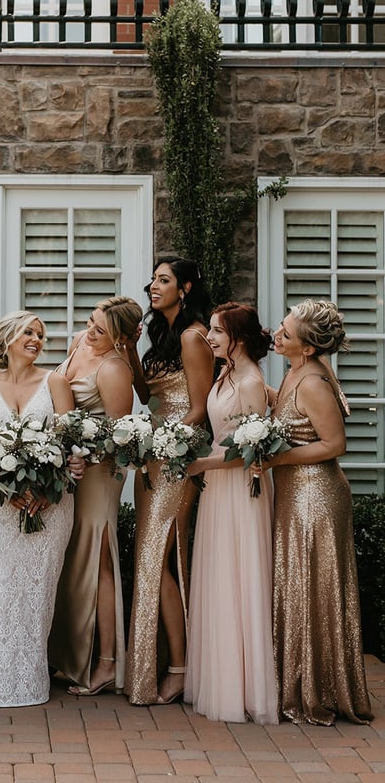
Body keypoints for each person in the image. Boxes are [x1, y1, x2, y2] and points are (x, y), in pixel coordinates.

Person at [266, 299, 372, 725]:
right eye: (281, 326)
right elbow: (290, 417)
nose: (277, 334)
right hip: (295, 495)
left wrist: (274, 460)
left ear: (307, 348)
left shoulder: (312, 381)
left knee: (313, 588)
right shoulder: (294, 372)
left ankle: (318, 690)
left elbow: (333, 445)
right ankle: (297, 680)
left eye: (286, 333)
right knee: (297, 584)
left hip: (316, 498)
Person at [0, 311, 75, 707]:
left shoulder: (56, 382)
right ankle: (0, 678)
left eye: (40, 334)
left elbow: (67, 443)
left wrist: (47, 492)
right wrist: (4, 486)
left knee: (37, 591)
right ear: (7, 339)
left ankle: (31, 682)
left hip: (50, 504)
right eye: (28, 332)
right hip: (1, 505)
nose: (36, 339)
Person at [183, 302, 278, 724]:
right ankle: (218, 677)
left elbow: (251, 453)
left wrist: (200, 463)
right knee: (219, 576)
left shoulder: (252, 381)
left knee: (240, 577)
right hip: (217, 488)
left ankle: (245, 687)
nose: (210, 337)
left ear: (237, 337)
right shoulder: (226, 373)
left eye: (218, 331)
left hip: (241, 490)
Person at [125, 256, 213, 706]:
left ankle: (179, 668)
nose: (154, 286)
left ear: (186, 288)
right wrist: (127, 350)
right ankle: (159, 662)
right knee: (150, 556)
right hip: (152, 457)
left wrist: (167, 446)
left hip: (178, 459)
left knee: (161, 558)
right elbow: (146, 395)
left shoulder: (195, 337)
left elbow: (200, 409)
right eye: (153, 279)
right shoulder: (161, 336)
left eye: (164, 280)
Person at [49, 296, 142, 696]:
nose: (91, 331)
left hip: (100, 472)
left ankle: (106, 662)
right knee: (72, 558)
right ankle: (71, 656)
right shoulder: (77, 343)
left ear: (120, 338)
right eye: (90, 321)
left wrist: (81, 453)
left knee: (98, 555)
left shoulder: (115, 368)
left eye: (101, 330)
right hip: (72, 470)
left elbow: (119, 437)